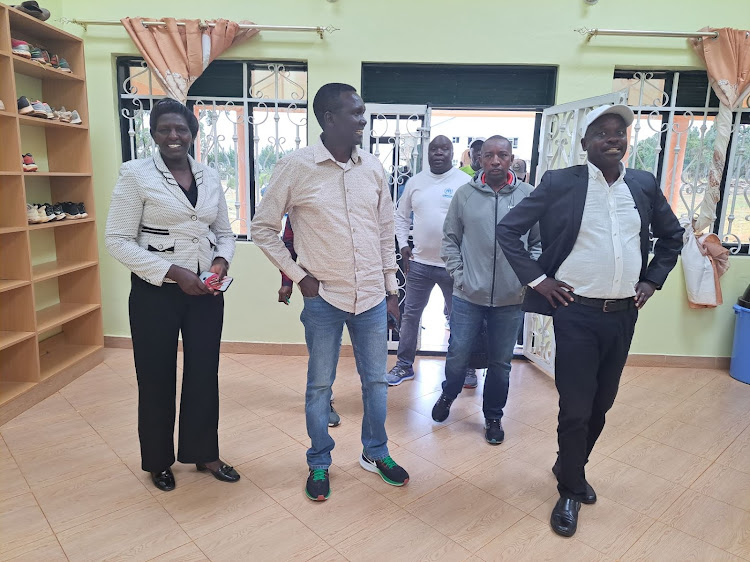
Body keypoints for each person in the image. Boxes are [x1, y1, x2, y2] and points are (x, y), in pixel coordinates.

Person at [496, 104, 683, 537]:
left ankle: (569, 462)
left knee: (602, 405)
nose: (613, 139)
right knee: (576, 407)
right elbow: (510, 230)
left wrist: (652, 280)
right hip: (576, 313)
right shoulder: (562, 183)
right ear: (585, 144)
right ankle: (570, 488)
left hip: (622, 315)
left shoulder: (643, 184)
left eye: (619, 133)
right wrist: (540, 281)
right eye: (602, 133)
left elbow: (673, 236)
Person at [251, 82, 409, 502]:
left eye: (363, 112)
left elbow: (385, 232)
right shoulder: (296, 166)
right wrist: (298, 275)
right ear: (329, 119)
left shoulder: (373, 168)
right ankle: (319, 461)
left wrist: (392, 288)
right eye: (355, 113)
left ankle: (375, 453)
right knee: (320, 386)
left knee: (376, 383)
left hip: (373, 297)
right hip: (324, 299)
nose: (362, 120)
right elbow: (262, 228)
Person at [105, 97, 239, 492]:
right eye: (164, 129)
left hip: (205, 293)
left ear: (193, 134)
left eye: (181, 129)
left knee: (203, 374)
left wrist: (220, 263)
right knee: (155, 376)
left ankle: (204, 453)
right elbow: (117, 240)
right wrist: (173, 273)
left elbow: (225, 234)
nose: (174, 136)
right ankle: (158, 461)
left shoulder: (210, 176)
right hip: (155, 293)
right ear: (153, 134)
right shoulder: (136, 175)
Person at [432, 136, 541, 445]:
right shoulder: (465, 195)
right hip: (468, 295)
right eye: (489, 155)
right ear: (479, 159)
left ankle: (493, 416)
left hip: (510, 298)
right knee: (457, 354)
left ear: (511, 159)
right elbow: (450, 239)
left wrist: (525, 277)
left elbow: (537, 243)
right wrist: (459, 275)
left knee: (501, 363)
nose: (495, 161)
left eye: (502, 155)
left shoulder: (528, 195)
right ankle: (448, 395)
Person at [386, 135, 468, 386]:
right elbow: (400, 216)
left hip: (454, 265)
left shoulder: (464, 182)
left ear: (452, 153)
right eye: (435, 149)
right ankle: (403, 365)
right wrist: (403, 245)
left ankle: (465, 368)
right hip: (419, 264)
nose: (439, 153)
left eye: (445, 149)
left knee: (460, 318)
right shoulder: (416, 182)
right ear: (428, 152)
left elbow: (475, 221)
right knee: (410, 315)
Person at [277, 218, 341, 427]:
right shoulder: (302, 195)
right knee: (323, 347)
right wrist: (288, 281)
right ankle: (322, 401)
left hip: (353, 284)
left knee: (338, 344)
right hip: (316, 286)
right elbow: (288, 244)